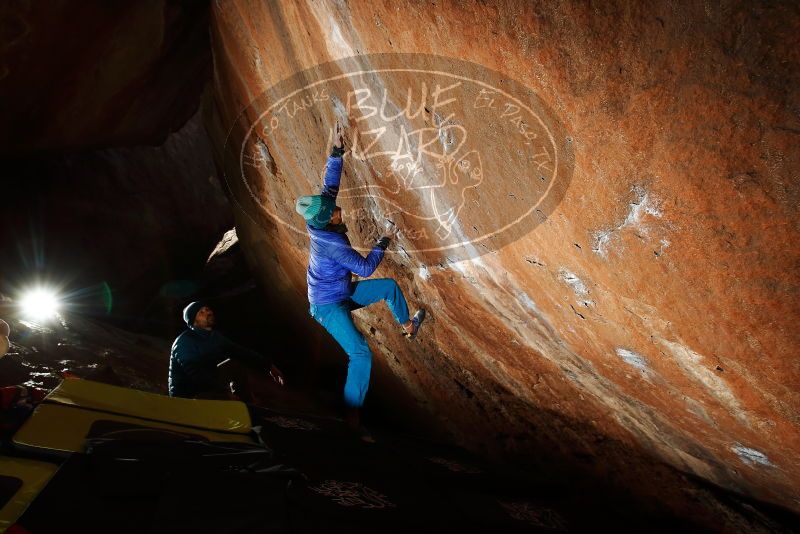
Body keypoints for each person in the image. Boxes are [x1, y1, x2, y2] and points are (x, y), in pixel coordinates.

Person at [295, 121, 426, 435]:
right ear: (328, 222)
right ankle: (351, 416)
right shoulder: (334, 243)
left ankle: (408, 326)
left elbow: (329, 189)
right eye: (336, 213)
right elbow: (366, 268)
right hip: (327, 306)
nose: (340, 210)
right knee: (360, 353)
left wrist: (337, 152)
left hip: (338, 290)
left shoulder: (319, 219)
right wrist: (384, 240)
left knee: (389, 288)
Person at [169, 301, 284, 399]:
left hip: (207, 385)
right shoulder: (184, 342)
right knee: (214, 389)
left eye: (207, 309)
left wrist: (269, 366)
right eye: (201, 312)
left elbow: (240, 352)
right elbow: (196, 375)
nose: (208, 313)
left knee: (235, 364)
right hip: (187, 396)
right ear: (194, 322)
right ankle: (230, 403)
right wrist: (224, 394)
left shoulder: (215, 337)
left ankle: (247, 404)